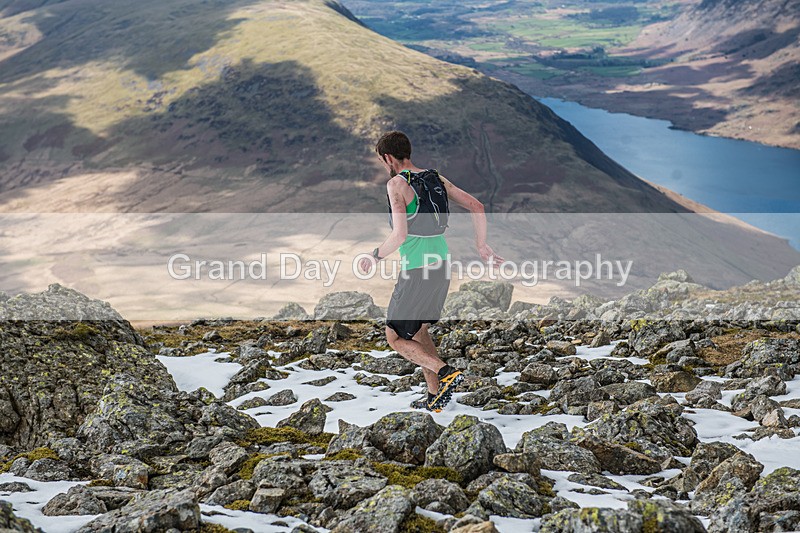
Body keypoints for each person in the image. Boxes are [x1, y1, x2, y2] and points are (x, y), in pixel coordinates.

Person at [358, 131, 505, 412]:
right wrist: (482, 246)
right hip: (442, 265)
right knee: (418, 330)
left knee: (395, 337)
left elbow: (400, 235)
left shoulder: (396, 184)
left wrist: (374, 255)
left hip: (417, 268)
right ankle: (435, 395)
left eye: (382, 160)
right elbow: (477, 206)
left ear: (388, 157)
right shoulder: (436, 177)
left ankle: (445, 371)